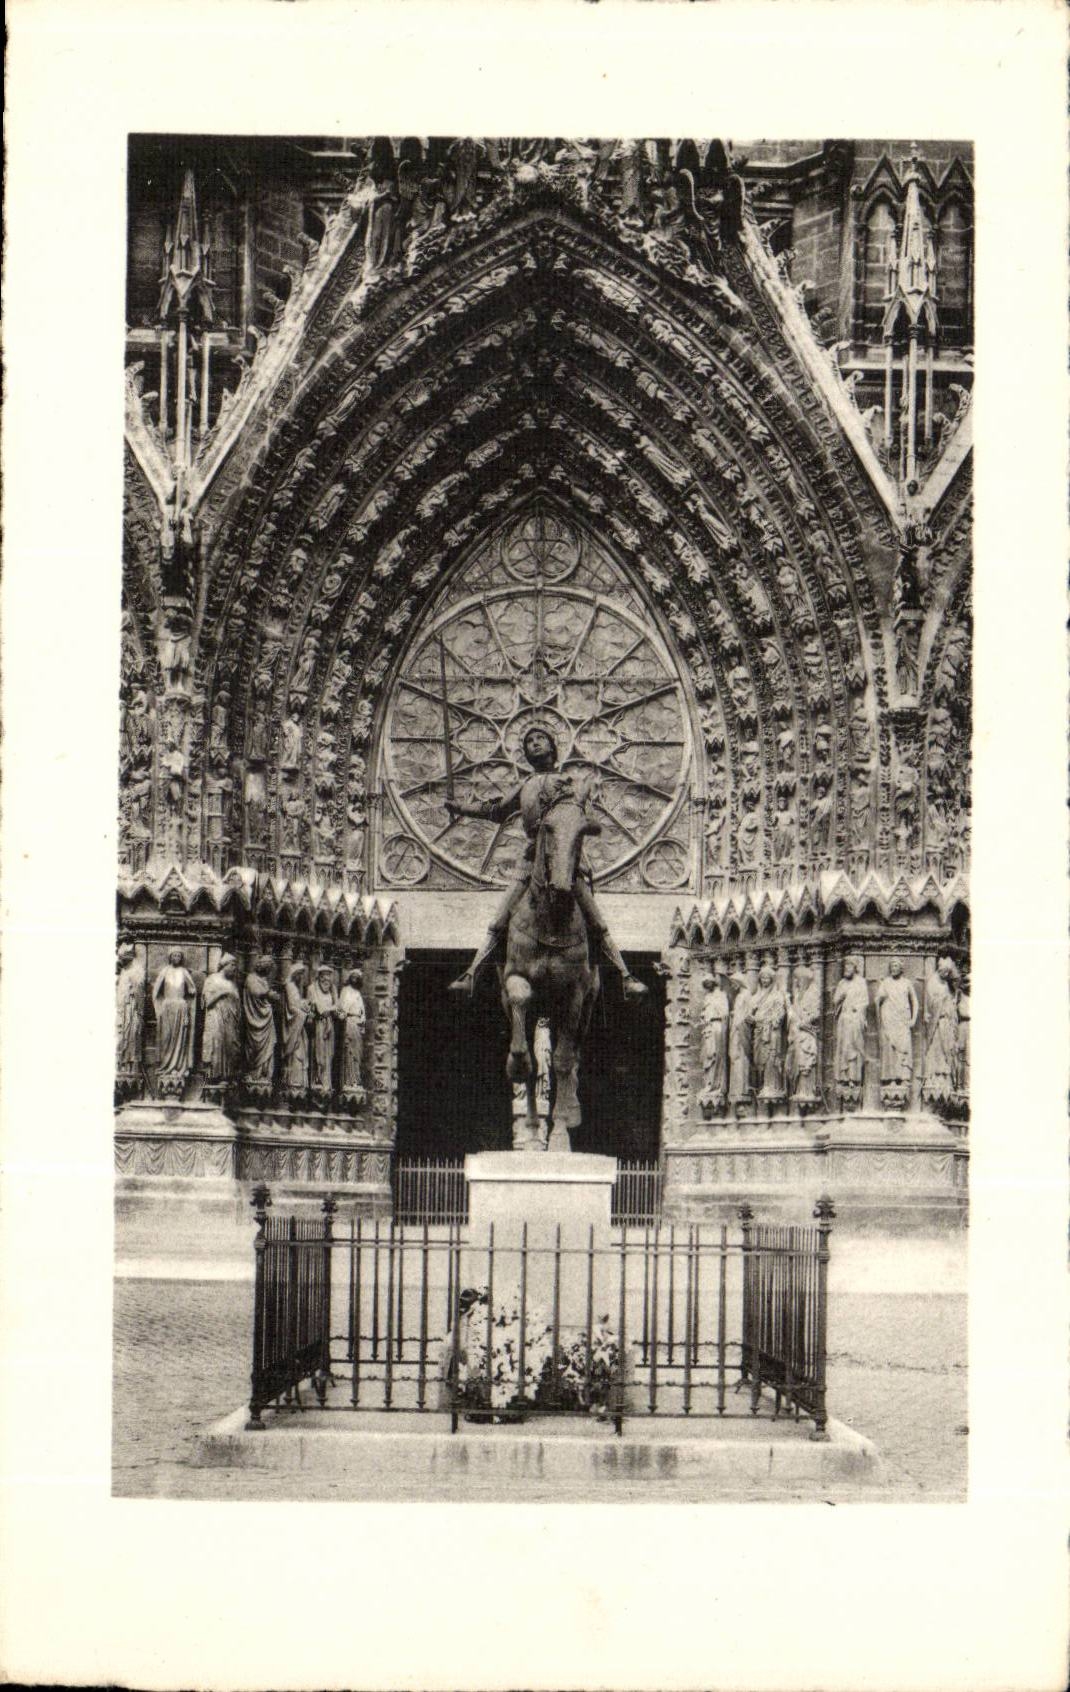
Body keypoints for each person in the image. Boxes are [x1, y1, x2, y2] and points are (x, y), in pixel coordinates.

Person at [445, 726, 647, 1000]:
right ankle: (471, 974)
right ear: (525, 753)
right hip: (532, 859)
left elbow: (588, 822)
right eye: (528, 741)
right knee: (499, 919)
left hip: (565, 858)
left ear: (553, 747)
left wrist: (577, 835)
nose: (534, 743)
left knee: (596, 921)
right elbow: (494, 810)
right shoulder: (525, 785)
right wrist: (460, 808)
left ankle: (625, 975)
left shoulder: (569, 784)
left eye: (540, 738)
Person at [152, 948, 197, 1094]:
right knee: (166, 1037)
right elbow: (156, 992)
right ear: (170, 957)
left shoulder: (184, 972)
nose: (176, 957)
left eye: (179, 955)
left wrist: (191, 992)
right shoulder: (165, 971)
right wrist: (158, 1009)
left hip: (181, 1007)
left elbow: (192, 990)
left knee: (180, 1039)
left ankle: (177, 1066)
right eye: (174, 955)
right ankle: (166, 1066)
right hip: (167, 1009)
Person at [202, 953, 242, 1085]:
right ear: (224, 965)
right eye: (232, 965)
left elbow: (237, 1003)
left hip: (231, 1019)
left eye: (235, 966)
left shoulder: (233, 983)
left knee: (230, 1045)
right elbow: (207, 1002)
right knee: (217, 1043)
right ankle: (215, 1076)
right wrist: (222, 993)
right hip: (216, 1017)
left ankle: (227, 1076)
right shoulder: (212, 979)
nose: (234, 969)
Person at [338, 969, 367, 1100]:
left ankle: (356, 1078)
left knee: (357, 1053)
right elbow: (341, 1009)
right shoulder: (345, 991)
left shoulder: (358, 993)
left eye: (358, 977)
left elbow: (362, 1011)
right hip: (349, 1022)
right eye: (353, 976)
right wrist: (343, 1015)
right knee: (349, 1051)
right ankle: (349, 1080)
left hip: (358, 1024)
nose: (355, 979)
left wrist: (363, 1020)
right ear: (350, 977)